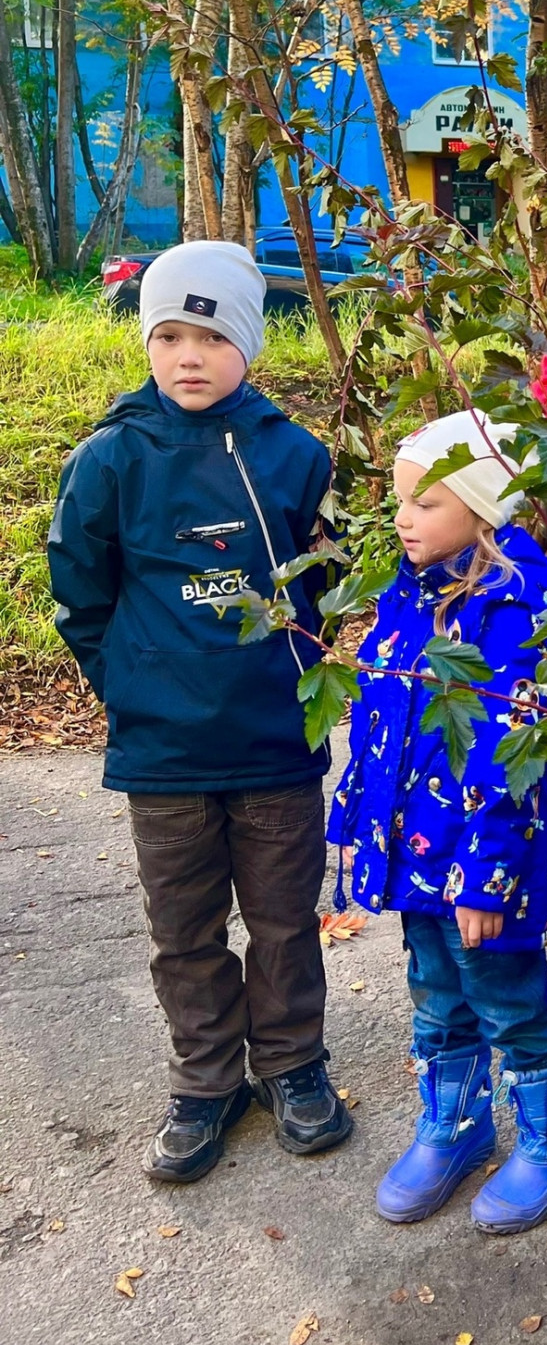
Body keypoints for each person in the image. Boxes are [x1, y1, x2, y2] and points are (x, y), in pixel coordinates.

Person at [48, 241, 350, 1183]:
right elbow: (80, 593)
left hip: (274, 743)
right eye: (168, 334)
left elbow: (330, 584)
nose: (188, 356)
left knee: (285, 920)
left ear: (248, 347)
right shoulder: (111, 458)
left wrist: (302, 672)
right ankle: (205, 1077)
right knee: (183, 929)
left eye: (211, 336)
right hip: (164, 753)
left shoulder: (297, 456)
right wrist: (129, 686)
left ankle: (294, 1066)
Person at [327, 410, 547, 1231]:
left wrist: (485, 881)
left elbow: (509, 758)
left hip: (484, 860)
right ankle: (456, 1121)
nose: (404, 519)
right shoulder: (407, 596)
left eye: (428, 503)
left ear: (484, 510)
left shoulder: (511, 611)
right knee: (436, 991)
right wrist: (355, 826)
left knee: (505, 994)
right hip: (412, 853)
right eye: (400, 501)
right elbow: (379, 723)